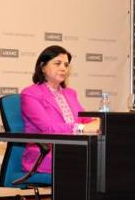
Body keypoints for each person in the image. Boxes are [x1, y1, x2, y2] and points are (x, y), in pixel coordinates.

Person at [20, 45, 100, 173]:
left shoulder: (70, 93)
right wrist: (82, 128)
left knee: (103, 159)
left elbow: (87, 120)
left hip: (73, 150)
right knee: (94, 163)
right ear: (43, 67)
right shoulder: (30, 94)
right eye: (57, 63)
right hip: (44, 155)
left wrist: (96, 123)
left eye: (66, 65)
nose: (63, 68)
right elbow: (48, 128)